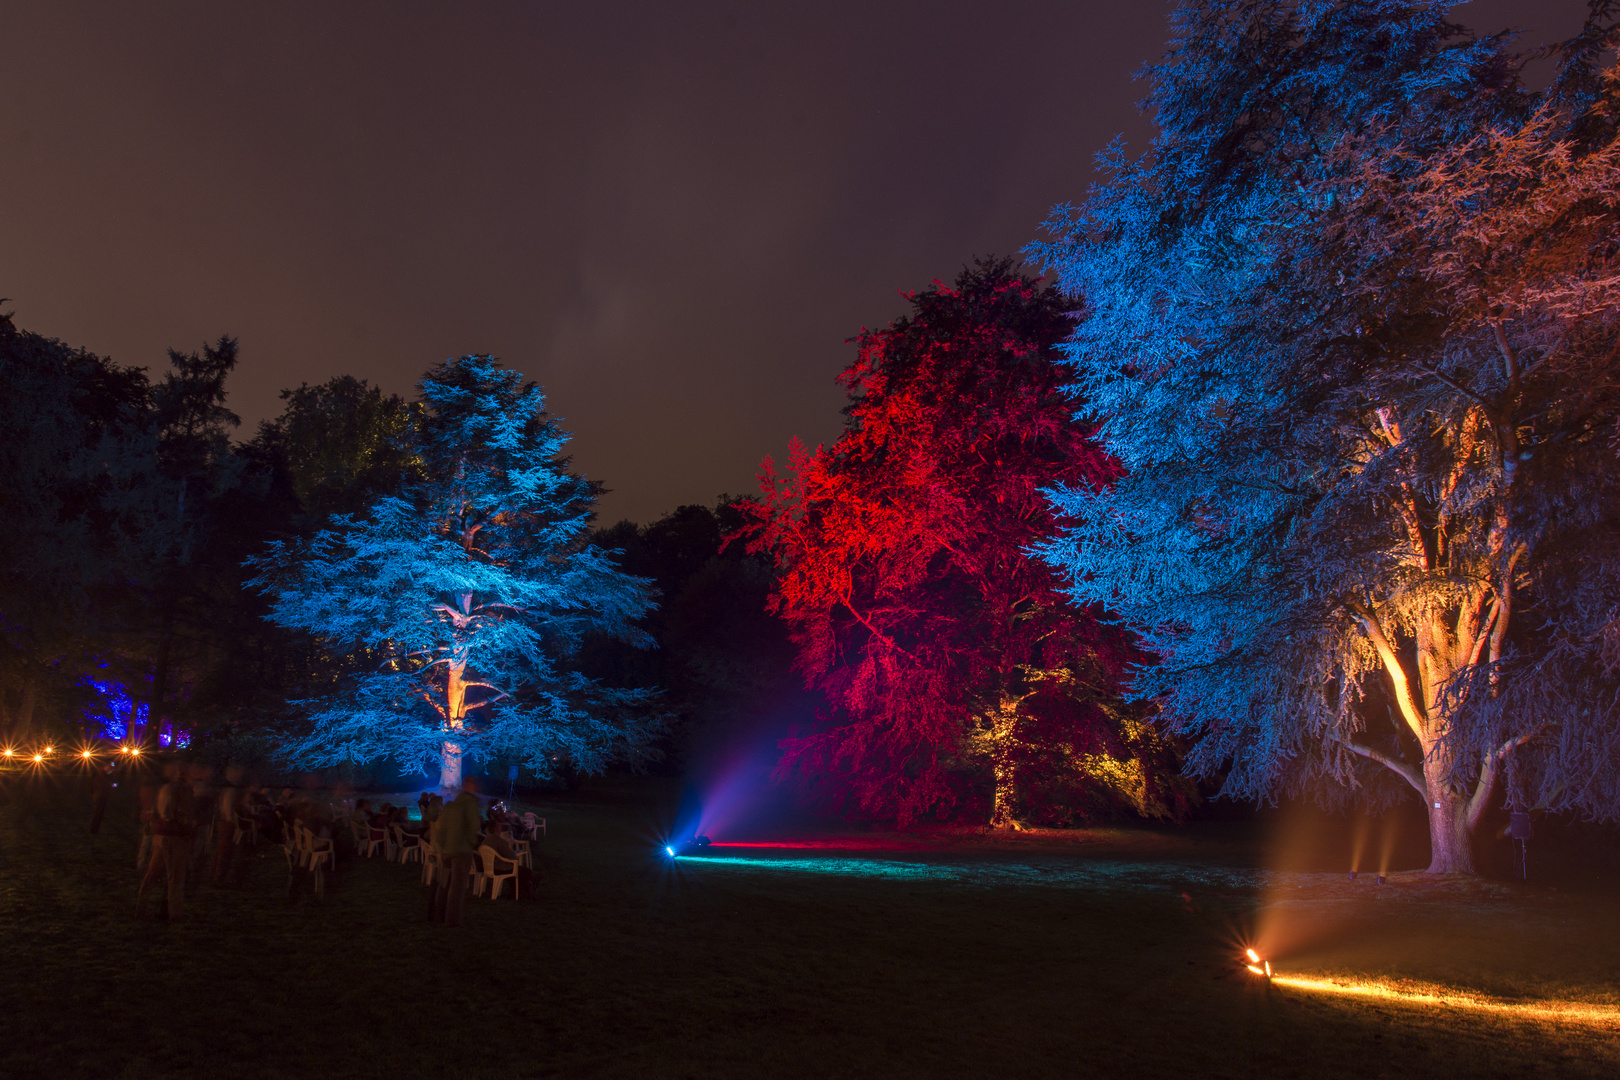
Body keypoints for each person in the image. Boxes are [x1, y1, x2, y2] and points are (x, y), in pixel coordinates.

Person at [138, 762, 196, 921]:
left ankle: (141, 906)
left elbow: (157, 811)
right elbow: (181, 814)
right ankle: (175, 913)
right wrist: (188, 823)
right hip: (175, 836)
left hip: (161, 835)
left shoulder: (164, 789)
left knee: (152, 873)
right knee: (175, 876)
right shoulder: (181, 791)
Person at [432, 778, 481, 927]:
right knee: (457, 887)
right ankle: (452, 920)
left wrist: (442, 846)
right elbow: (474, 825)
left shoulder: (450, 806)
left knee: (445, 883)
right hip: (461, 850)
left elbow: (440, 828)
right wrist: (471, 843)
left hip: (447, 849)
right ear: (470, 786)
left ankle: (438, 915)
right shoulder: (470, 803)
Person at [481, 820, 536, 900]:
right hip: (500, 868)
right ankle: (522, 892)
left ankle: (514, 891)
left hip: (489, 867)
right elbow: (510, 856)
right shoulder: (498, 840)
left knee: (517, 874)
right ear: (496, 828)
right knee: (526, 871)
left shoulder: (486, 840)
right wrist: (514, 856)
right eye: (499, 826)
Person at [88, 760, 113, 835]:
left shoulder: (101, 775)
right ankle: (93, 830)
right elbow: (102, 785)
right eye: (109, 768)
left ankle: (94, 830)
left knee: (98, 814)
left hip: (99, 796)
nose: (110, 770)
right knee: (97, 814)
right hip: (100, 796)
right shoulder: (101, 775)